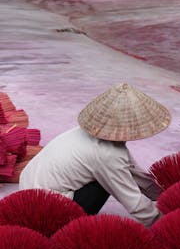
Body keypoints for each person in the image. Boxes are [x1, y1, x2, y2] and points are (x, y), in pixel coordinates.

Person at [19, 83, 171, 227]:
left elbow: (132, 170)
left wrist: (165, 195)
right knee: (104, 182)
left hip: (29, 186)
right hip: (47, 207)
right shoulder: (106, 154)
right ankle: (72, 224)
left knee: (110, 172)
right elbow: (133, 201)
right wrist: (163, 223)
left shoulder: (86, 134)